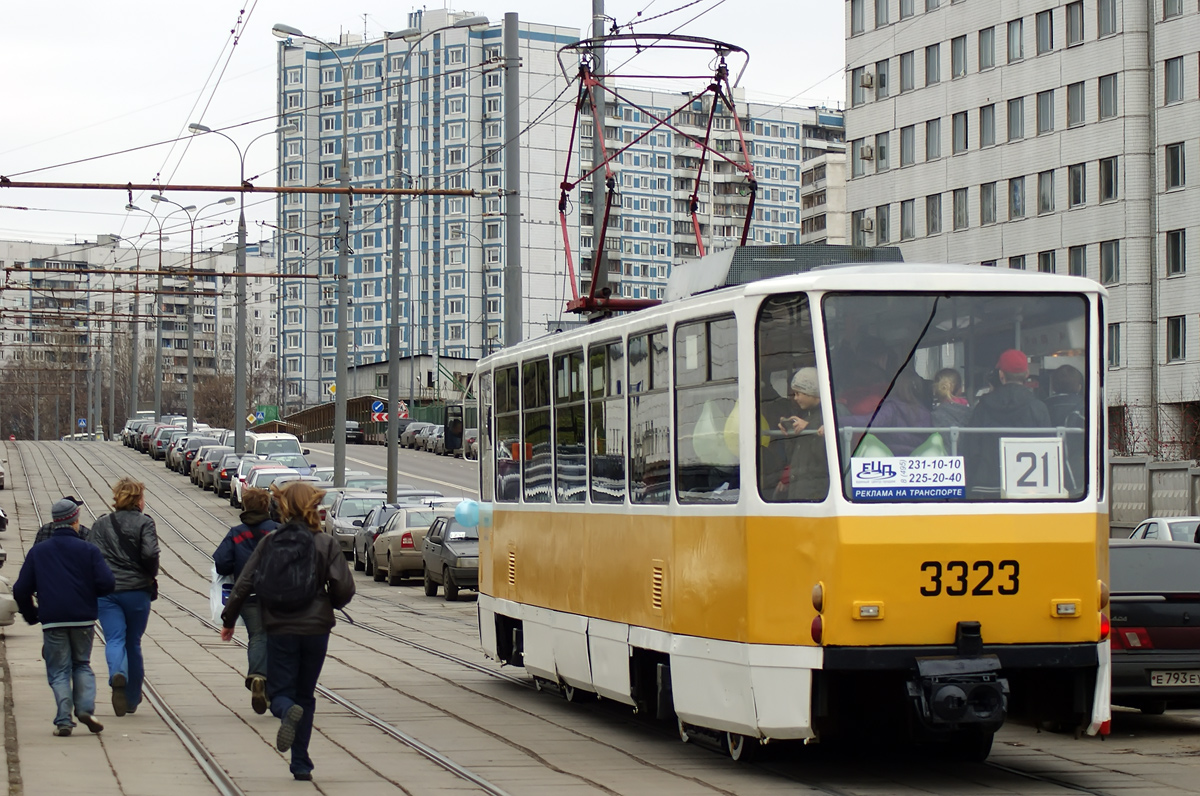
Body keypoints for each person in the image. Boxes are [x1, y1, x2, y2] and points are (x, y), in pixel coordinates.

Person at [221, 481, 355, 781]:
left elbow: (245, 581)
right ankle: (301, 763)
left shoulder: (270, 541)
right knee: (306, 695)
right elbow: (345, 587)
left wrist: (229, 618)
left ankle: (283, 711)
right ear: (315, 507)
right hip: (316, 628)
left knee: (281, 691)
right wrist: (327, 603)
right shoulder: (325, 543)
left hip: (279, 626)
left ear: (282, 506)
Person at [14, 498, 115, 737]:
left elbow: (20, 589)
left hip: (53, 619)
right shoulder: (89, 549)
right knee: (81, 664)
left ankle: (63, 719)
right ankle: (86, 709)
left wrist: (32, 614)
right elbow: (108, 583)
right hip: (82, 618)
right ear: (75, 521)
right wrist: (90, 595)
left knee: (58, 670)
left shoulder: (39, 552)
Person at [87, 478, 159, 717]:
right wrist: (150, 573)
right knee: (133, 642)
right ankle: (130, 698)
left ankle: (117, 673)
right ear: (139, 500)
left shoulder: (101, 523)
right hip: (137, 591)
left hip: (107, 593)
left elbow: (91, 555)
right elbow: (149, 553)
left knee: (115, 639)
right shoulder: (144, 523)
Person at [213, 487, 278, 714]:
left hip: (248, 596)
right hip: (278, 596)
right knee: (278, 641)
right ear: (266, 506)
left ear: (245, 506)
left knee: (258, 636)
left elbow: (221, 562)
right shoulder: (277, 531)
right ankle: (271, 690)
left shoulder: (236, 533)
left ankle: (258, 676)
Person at [963, 350, 1052, 495]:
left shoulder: (982, 407)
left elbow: (971, 448)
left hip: (985, 485)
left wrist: (971, 482)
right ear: (1027, 374)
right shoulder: (1038, 408)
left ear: (1001, 375)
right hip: (1028, 488)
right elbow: (1047, 450)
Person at [778, 367, 830, 501]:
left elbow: (824, 456)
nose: (795, 398)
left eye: (798, 393)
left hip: (816, 493)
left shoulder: (828, 417)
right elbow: (793, 456)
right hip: (800, 490)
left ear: (812, 392)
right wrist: (788, 434)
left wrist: (810, 428)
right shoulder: (805, 415)